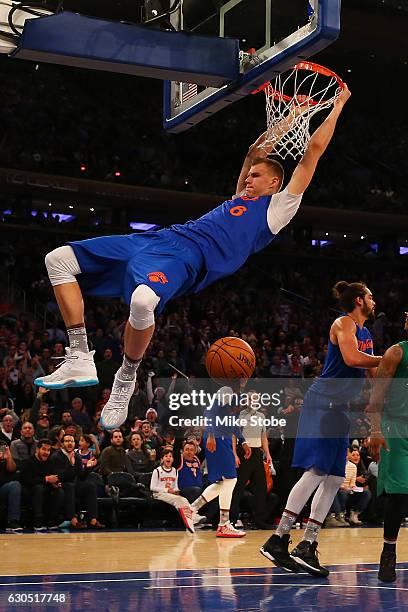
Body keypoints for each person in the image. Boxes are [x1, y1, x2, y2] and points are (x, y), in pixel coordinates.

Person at [33, 85, 351, 431]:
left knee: (142, 301)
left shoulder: (278, 208)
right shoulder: (238, 197)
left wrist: (336, 106)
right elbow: (255, 150)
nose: (248, 178)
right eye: (248, 174)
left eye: (256, 175)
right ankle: (79, 354)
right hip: (161, 238)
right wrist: (290, 115)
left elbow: (313, 152)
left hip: (190, 258)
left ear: (275, 183)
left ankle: (126, 377)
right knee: (58, 259)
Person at [261, 280, 381, 577]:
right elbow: (353, 358)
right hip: (322, 402)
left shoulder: (366, 333)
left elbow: (374, 374)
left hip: (339, 409)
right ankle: (278, 538)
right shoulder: (344, 324)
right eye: (370, 296)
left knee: (335, 477)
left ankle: (307, 544)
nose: (374, 301)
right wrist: (388, 359)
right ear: (357, 300)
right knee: (316, 471)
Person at [367, 312, 408, 583]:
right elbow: (376, 396)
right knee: (400, 493)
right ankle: (388, 552)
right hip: (396, 428)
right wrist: (375, 430)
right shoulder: (396, 353)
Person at [191, 385, 252, 538]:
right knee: (231, 480)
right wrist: (211, 435)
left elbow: (233, 423)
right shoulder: (226, 390)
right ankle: (222, 523)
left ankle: (192, 510)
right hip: (217, 438)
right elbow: (209, 412)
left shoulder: (237, 395)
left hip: (222, 439)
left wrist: (243, 441)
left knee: (223, 483)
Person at [230, 390, 274, 529]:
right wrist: (234, 454)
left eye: (255, 399)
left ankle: (259, 520)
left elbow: (263, 437)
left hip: (257, 453)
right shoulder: (240, 415)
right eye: (250, 399)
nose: (253, 401)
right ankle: (232, 519)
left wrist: (267, 453)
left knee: (261, 488)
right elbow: (234, 436)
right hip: (244, 453)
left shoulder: (261, 416)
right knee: (239, 487)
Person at [20, 438, 64, 531]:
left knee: (59, 491)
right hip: (29, 490)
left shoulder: (50, 462)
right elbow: (26, 480)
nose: (46, 452)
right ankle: (38, 520)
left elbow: (53, 476)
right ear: (37, 449)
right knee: (39, 488)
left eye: (48, 450)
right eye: (44, 449)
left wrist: (55, 483)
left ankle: (51, 520)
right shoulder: (28, 461)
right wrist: (46, 479)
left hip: (45, 488)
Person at [150, 447, 195, 533]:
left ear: (173, 459)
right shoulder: (157, 471)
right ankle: (193, 518)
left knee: (183, 499)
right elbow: (152, 487)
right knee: (178, 500)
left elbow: (175, 486)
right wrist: (167, 490)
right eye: (166, 456)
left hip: (170, 494)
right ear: (162, 459)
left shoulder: (175, 471)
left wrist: (176, 490)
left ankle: (193, 518)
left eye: (170, 456)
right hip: (158, 494)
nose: (168, 458)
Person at [0, 443, 22, 532]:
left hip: (3, 488)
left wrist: (9, 457)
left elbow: (12, 469)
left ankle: (12, 521)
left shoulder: (4, 457)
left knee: (15, 485)